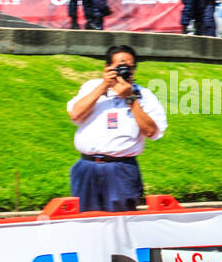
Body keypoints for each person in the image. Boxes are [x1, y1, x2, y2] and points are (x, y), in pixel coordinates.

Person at [65, 45, 168, 212]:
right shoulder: (92, 87)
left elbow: (152, 132)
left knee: (122, 223)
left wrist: (130, 98)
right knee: (84, 222)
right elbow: (75, 115)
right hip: (87, 166)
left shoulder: (144, 95)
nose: (125, 71)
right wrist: (104, 86)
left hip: (120, 169)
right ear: (107, 68)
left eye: (130, 67)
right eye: (120, 66)